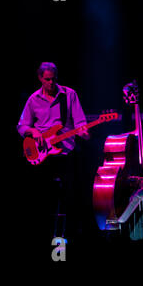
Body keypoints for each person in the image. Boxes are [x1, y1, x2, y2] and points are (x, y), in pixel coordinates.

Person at [17, 62, 90, 242]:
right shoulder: (33, 100)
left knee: (71, 197)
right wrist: (34, 132)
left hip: (65, 152)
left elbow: (80, 121)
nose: (51, 83)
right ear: (40, 78)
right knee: (43, 199)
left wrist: (83, 131)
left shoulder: (69, 94)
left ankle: (70, 236)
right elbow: (21, 126)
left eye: (53, 79)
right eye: (47, 79)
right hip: (42, 154)